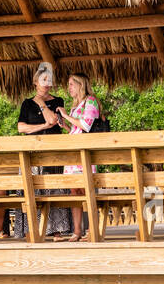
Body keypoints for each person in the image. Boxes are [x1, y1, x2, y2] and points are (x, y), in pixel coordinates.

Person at [14, 63, 73, 240]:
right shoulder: (26, 103)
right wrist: (42, 126)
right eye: (43, 80)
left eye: (49, 80)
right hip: (31, 152)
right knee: (31, 188)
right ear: (35, 82)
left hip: (53, 151)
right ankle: (31, 228)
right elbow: (21, 127)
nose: (47, 83)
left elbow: (53, 120)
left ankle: (56, 230)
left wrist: (41, 104)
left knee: (52, 188)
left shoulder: (57, 101)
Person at [52, 72, 101, 240]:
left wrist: (66, 115)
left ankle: (92, 229)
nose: (69, 88)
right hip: (74, 155)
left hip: (85, 154)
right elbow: (76, 129)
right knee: (75, 192)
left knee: (87, 190)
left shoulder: (91, 101)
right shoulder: (76, 106)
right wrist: (65, 125)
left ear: (81, 85)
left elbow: (86, 126)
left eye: (72, 84)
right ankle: (77, 230)